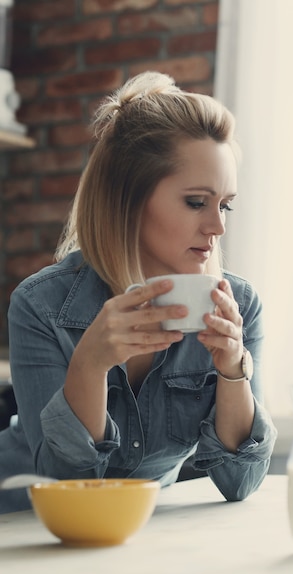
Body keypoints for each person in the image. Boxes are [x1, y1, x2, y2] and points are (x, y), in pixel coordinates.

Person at [0, 71, 277, 513]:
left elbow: (240, 481)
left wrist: (231, 371)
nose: (218, 226)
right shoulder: (41, 306)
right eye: (195, 202)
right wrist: (89, 367)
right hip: (21, 521)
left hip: (135, 531)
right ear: (128, 198)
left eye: (225, 204)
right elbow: (63, 485)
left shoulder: (238, 307)